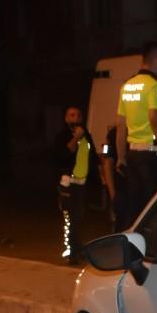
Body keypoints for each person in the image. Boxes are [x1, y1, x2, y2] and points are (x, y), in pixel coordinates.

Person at [113, 40, 157, 231]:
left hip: (133, 156)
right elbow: (155, 121)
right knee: (155, 208)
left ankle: (130, 250)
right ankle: (152, 252)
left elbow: (120, 126)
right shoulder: (156, 86)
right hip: (151, 156)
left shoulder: (127, 86)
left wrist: (121, 157)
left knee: (135, 208)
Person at [54, 106, 97, 266]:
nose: (76, 118)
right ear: (66, 118)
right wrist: (75, 138)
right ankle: (73, 252)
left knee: (80, 218)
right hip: (68, 183)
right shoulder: (62, 136)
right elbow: (62, 156)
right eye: (72, 115)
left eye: (79, 115)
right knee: (72, 218)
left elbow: (92, 156)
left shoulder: (87, 136)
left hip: (83, 183)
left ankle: (77, 248)